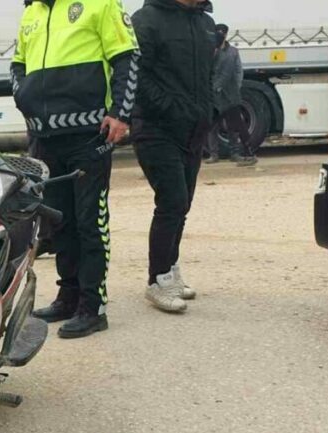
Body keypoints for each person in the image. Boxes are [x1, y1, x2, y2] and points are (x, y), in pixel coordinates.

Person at [11, 0, 140, 339]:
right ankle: (68, 296)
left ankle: (92, 306)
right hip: (45, 137)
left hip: (88, 135)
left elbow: (127, 58)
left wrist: (121, 114)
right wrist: (22, 97)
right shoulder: (32, 12)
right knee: (58, 222)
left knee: (89, 222)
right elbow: (18, 65)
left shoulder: (101, 4)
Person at [131, 0, 215, 315]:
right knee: (172, 201)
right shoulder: (147, 19)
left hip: (193, 130)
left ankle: (170, 269)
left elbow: (209, 74)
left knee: (184, 204)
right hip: (156, 129)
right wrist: (171, 108)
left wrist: (211, 111)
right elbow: (137, 77)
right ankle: (157, 281)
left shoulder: (204, 23)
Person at [206, 24, 257, 166]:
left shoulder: (232, 52)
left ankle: (244, 154)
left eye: (222, 33)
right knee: (211, 126)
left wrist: (235, 87)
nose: (220, 35)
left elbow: (233, 72)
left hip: (229, 96)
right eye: (217, 32)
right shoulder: (210, 51)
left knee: (236, 126)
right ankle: (213, 154)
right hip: (214, 96)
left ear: (226, 35)